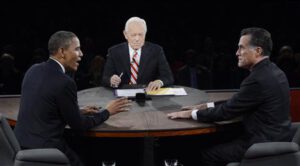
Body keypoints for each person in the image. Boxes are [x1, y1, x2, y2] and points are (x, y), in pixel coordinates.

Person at [167, 27, 292, 166]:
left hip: (260, 144)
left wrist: (192, 113)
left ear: (258, 51)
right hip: (279, 138)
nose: (237, 53)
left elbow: (227, 111)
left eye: (241, 48)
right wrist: (205, 106)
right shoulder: (275, 71)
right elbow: (237, 102)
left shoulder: (257, 79)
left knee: (204, 155)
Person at [14, 31, 131, 166]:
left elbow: (44, 107)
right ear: (62, 52)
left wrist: (77, 111)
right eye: (77, 49)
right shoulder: (64, 82)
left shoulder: (33, 70)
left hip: (19, 147)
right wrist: (107, 111)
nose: (81, 54)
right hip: (46, 151)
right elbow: (80, 126)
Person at [102, 16, 174, 91]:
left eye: (140, 34)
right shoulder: (114, 52)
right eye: (133, 35)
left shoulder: (156, 51)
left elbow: (168, 77)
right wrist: (111, 80)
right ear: (125, 34)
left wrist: (159, 82)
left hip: (148, 96)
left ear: (145, 33)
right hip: (122, 97)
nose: (137, 39)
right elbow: (105, 78)